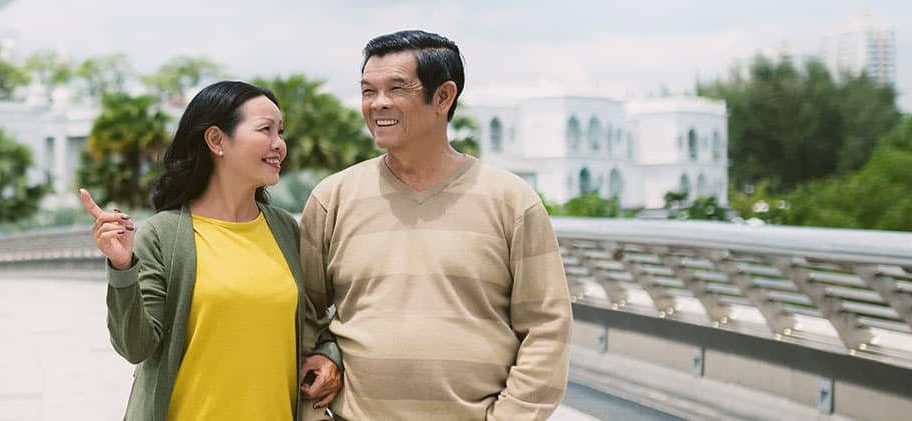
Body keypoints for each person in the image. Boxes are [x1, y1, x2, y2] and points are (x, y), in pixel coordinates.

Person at [299, 29, 574, 420]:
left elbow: (547, 328)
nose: (377, 104)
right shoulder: (333, 198)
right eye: (367, 91)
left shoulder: (512, 201)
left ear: (443, 97)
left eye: (396, 89)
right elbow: (303, 317)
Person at [85, 80, 343, 421]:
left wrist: (330, 356)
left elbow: (320, 318)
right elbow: (136, 346)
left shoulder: (285, 230)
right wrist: (122, 268)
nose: (279, 144)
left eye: (280, 132)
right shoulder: (164, 234)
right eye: (265, 130)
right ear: (216, 140)